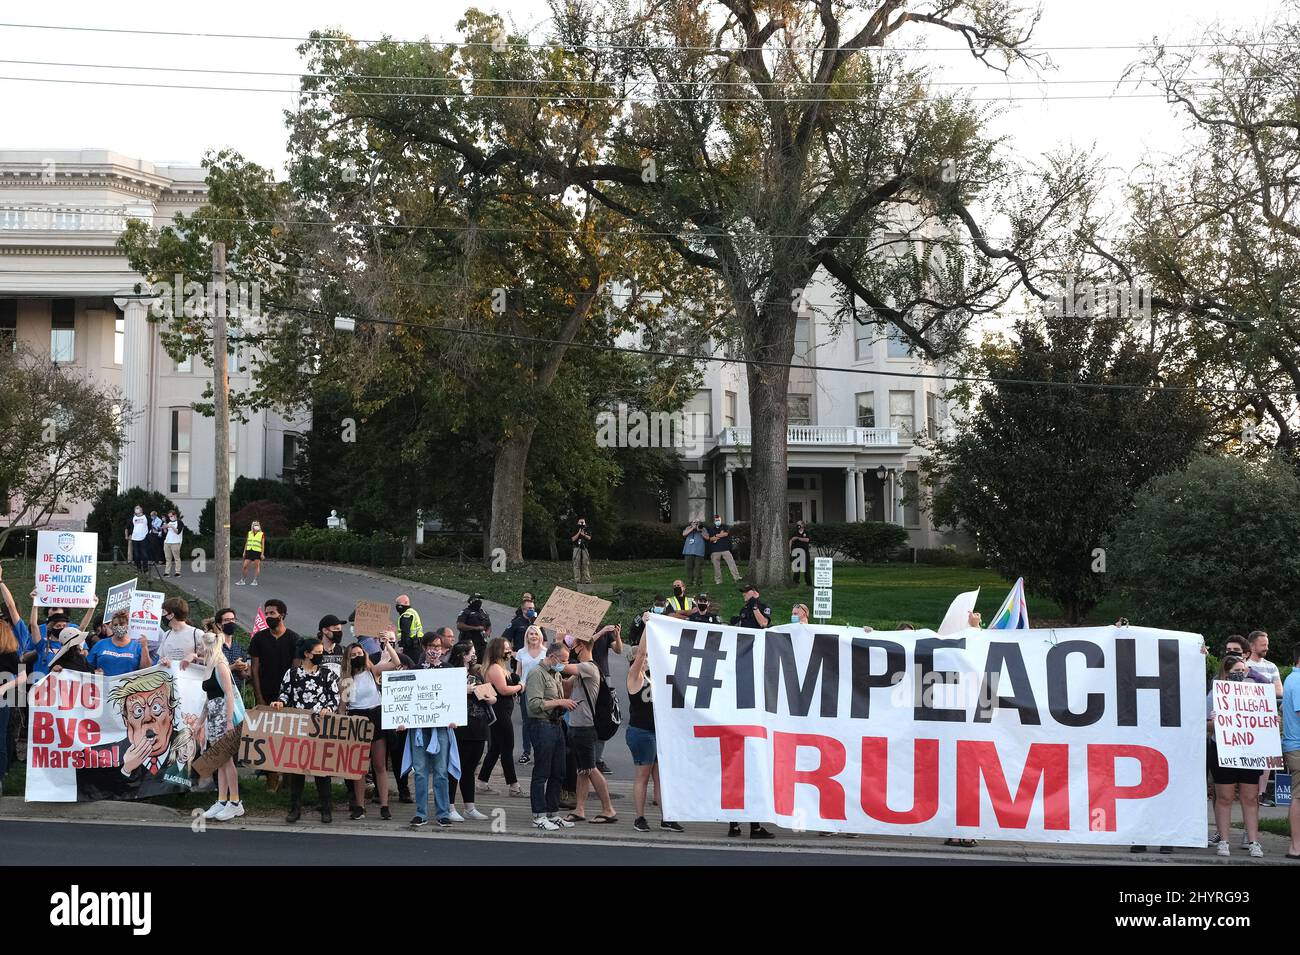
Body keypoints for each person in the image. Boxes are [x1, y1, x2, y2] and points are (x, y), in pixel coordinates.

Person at [271, 635, 340, 823]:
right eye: (318, 653)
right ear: (307, 654)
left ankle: (326, 808)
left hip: (320, 727)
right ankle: (294, 808)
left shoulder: (327, 675)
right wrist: (280, 702)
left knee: (321, 770)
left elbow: (335, 697)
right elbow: (285, 694)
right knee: (297, 769)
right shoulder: (292, 674)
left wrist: (329, 708)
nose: (321, 656)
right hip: (298, 727)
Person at [1206, 655, 1265, 857]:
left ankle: (1254, 841)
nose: (1240, 675)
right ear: (1226, 674)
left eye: (1243, 671)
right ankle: (1224, 841)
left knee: (1250, 797)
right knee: (1225, 797)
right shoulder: (1215, 694)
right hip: (1223, 750)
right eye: (1235, 672)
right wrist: (1214, 721)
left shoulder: (1255, 693)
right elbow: (1205, 725)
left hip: (1248, 750)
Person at [730, 583, 774, 839]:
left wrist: (755, 606)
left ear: (755, 592)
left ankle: (750, 826)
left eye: (747, 592)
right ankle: (736, 825)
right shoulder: (742, 609)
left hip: (756, 653)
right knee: (748, 780)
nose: (744, 596)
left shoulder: (759, 605)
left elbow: (764, 624)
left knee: (748, 780)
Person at [626, 639, 683, 833]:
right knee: (643, 776)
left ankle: (666, 817)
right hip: (641, 732)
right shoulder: (634, 677)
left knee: (661, 777)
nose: (647, 659)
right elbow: (641, 653)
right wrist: (647, 627)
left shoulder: (654, 676)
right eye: (644, 658)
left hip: (658, 732)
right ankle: (639, 818)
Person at [559, 631, 617, 824]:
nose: (571, 649)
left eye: (573, 645)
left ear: (581, 646)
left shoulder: (588, 667)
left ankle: (608, 809)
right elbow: (567, 686)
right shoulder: (583, 670)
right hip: (577, 725)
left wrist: (559, 645)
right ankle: (580, 809)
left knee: (590, 768)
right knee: (582, 770)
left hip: (585, 727)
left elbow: (561, 666)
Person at [342, 636, 401, 820]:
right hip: (356, 719)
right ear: (348, 658)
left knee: (379, 764)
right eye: (354, 655)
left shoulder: (372, 671)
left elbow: (396, 662)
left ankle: (384, 805)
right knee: (359, 767)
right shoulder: (346, 680)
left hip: (375, 716)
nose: (357, 656)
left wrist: (387, 645)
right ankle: (360, 806)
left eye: (360, 653)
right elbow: (343, 707)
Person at [401, 634, 456, 828]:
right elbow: (404, 699)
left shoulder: (449, 670)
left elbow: (454, 698)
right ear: (424, 648)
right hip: (418, 729)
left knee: (441, 772)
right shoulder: (415, 670)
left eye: (438, 646)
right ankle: (421, 813)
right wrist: (402, 720)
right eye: (431, 646)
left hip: (440, 729)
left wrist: (454, 718)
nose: (435, 650)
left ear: (443, 649)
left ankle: (443, 813)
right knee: (420, 772)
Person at [526, 640, 579, 830]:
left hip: (556, 724)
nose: (564, 664)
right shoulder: (536, 673)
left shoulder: (556, 674)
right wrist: (560, 702)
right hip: (541, 725)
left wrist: (565, 701)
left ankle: (552, 812)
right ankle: (538, 815)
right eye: (562, 660)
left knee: (559, 771)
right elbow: (533, 704)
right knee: (542, 771)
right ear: (552, 656)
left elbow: (558, 697)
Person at [248, 599, 299, 792]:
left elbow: (295, 671)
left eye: (272, 613)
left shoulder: (294, 639)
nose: (269, 616)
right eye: (266, 613)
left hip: (287, 698)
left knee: (288, 738)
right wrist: (259, 697)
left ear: (282, 615)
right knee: (267, 739)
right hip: (266, 695)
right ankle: (271, 777)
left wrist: (287, 697)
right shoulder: (259, 639)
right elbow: (254, 669)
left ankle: (288, 778)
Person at [198, 623, 244, 822]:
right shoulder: (209, 665)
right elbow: (209, 698)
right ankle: (222, 800)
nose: (198, 649)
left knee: (227, 761)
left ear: (207, 646)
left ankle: (235, 801)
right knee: (220, 762)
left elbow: (229, 693)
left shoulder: (220, 665)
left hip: (224, 717)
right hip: (214, 717)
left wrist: (228, 722)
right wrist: (200, 722)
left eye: (200, 646)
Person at [446, 641, 495, 822]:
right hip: (459, 727)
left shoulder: (477, 673)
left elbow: (493, 699)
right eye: (471, 652)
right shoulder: (450, 673)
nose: (474, 655)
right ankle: (449, 806)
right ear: (462, 654)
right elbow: (443, 694)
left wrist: (485, 695)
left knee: (470, 768)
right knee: (455, 766)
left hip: (479, 725)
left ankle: (470, 807)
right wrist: (462, 690)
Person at [477, 636, 525, 797]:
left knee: (496, 748)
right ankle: (514, 786)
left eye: (509, 648)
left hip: (504, 711)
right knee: (507, 747)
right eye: (505, 649)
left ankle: (482, 782)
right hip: (499, 712)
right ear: (497, 650)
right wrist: (520, 686)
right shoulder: (495, 668)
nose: (508, 651)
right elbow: (503, 690)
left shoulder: (501, 667)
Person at [1245, 630, 1284, 806]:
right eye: (1263, 645)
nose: (1267, 648)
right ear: (1252, 646)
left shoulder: (1272, 666)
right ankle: (1250, 792)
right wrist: (1266, 687)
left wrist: (1258, 683)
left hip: (1267, 719)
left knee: (1268, 755)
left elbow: (1279, 691)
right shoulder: (1243, 665)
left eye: (1267, 644)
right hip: (1246, 720)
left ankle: (1261, 793)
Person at [587, 622, 623, 775]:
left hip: (604, 674)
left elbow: (619, 650)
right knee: (588, 715)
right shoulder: (584, 626)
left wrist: (617, 635)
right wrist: (601, 632)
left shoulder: (606, 629)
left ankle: (598, 758)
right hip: (587, 672)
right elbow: (586, 644)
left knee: (604, 716)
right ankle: (587, 756)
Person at [514, 625, 547, 765]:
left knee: (540, 721)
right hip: (525, 689)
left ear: (540, 636)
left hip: (541, 689)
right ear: (526, 636)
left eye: (535, 634)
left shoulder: (546, 652)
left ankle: (540, 751)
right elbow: (518, 672)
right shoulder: (521, 652)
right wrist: (516, 689)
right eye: (530, 634)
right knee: (527, 722)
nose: (533, 636)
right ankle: (526, 752)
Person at [86, 611, 152, 676]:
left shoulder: (137, 646)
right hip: (104, 685)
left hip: (128, 686)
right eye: (115, 625)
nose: (118, 627)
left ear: (128, 625)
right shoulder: (101, 644)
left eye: (121, 624)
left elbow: (147, 671)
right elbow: (87, 667)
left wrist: (144, 647)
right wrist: (94, 672)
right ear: (111, 626)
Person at [1281, 645, 1300, 861]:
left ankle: (1295, 845)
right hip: (1298, 746)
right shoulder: (1298, 681)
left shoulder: (1292, 679)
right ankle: (1296, 847)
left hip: (1294, 745)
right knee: (1298, 797)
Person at [156, 597, 204, 668]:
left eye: (163, 612)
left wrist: (194, 657)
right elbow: (160, 660)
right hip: (170, 677)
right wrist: (163, 662)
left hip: (190, 677)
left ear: (171, 615)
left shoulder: (197, 633)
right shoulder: (166, 634)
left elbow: (211, 660)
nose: (161, 615)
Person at [215, 608, 250, 690]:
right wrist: (233, 667)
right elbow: (212, 672)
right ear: (219, 624)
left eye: (233, 619)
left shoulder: (238, 647)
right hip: (218, 691)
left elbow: (243, 676)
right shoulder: (214, 645)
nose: (231, 622)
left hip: (236, 693)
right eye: (227, 620)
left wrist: (244, 667)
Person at [705, 514, 741, 585]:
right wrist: (719, 535)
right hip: (715, 551)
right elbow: (711, 539)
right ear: (714, 521)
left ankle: (736, 578)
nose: (717, 521)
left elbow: (725, 534)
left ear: (720, 520)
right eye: (716, 520)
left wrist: (716, 536)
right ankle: (718, 580)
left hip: (725, 549)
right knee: (716, 566)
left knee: (731, 563)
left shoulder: (724, 526)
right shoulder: (711, 529)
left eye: (718, 520)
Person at [456, 594, 491, 659]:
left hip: (482, 644)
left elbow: (489, 625)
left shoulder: (484, 612)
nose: (479, 601)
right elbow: (460, 625)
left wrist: (487, 632)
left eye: (480, 599)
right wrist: (475, 628)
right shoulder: (465, 612)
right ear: (471, 601)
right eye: (477, 599)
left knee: (483, 663)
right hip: (468, 643)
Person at [237, 521, 266, 586]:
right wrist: (244, 552)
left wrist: (262, 554)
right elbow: (247, 543)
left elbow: (263, 544)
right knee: (245, 566)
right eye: (254, 525)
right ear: (252, 526)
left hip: (257, 552)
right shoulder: (249, 533)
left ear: (259, 526)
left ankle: (255, 581)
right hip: (249, 551)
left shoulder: (261, 534)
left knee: (256, 566)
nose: (255, 526)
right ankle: (242, 580)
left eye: (257, 525)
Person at [681, 519, 707, 590]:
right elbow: (684, 534)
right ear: (691, 523)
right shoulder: (688, 528)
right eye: (694, 522)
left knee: (698, 568)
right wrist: (692, 528)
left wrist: (700, 531)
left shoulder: (702, 528)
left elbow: (707, 537)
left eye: (697, 522)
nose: (696, 524)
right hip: (688, 552)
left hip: (699, 552)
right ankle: (690, 583)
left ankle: (699, 583)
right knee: (689, 568)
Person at [162, 509, 185, 578]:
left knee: (176, 558)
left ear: (175, 515)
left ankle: (177, 572)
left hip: (176, 542)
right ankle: (167, 572)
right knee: (168, 558)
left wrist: (171, 526)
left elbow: (178, 532)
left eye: (171, 516)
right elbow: (166, 532)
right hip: (167, 542)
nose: (170, 517)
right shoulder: (169, 522)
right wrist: (164, 528)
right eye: (169, 516)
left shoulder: (180, 522)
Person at [127, 505, 150, 573]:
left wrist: (147, 535)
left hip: (143, 538)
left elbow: (151, 525)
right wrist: (130, 534)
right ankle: (139, 569)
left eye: (138, 508)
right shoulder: (133, 518)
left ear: (141, 510)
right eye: (135, 508)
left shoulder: (146, 517)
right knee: (136, 555)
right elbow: (130, 526)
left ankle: (145, 569)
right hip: (135, 538)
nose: (136, 509)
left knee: (144, 554)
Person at [789, 521, 812, 586]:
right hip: (796, 552)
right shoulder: (795, 532)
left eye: (799, 524)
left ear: (802, 525)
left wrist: (798, 538)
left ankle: (809, 583)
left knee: (806, 568)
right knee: (796, 568)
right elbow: (791, 540)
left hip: (805, 552)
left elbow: (807, 540)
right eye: (797, 524)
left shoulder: (806, 532)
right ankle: (795, 582)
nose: (798, 526)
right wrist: (790, 550)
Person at [571, 517, 593, 584]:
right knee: (576, 563)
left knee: (585, 564)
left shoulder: (587, 529)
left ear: (585, 523)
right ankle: (577, 580)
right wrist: (579, 532)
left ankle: (587, 580)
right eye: (580, 522)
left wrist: (584, 535)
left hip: (584, 547)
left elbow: (589, 538)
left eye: (583, 522)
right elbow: (573, 539)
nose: (582, 523)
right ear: (577, 523)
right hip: (576, 547)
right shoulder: (575, 529)